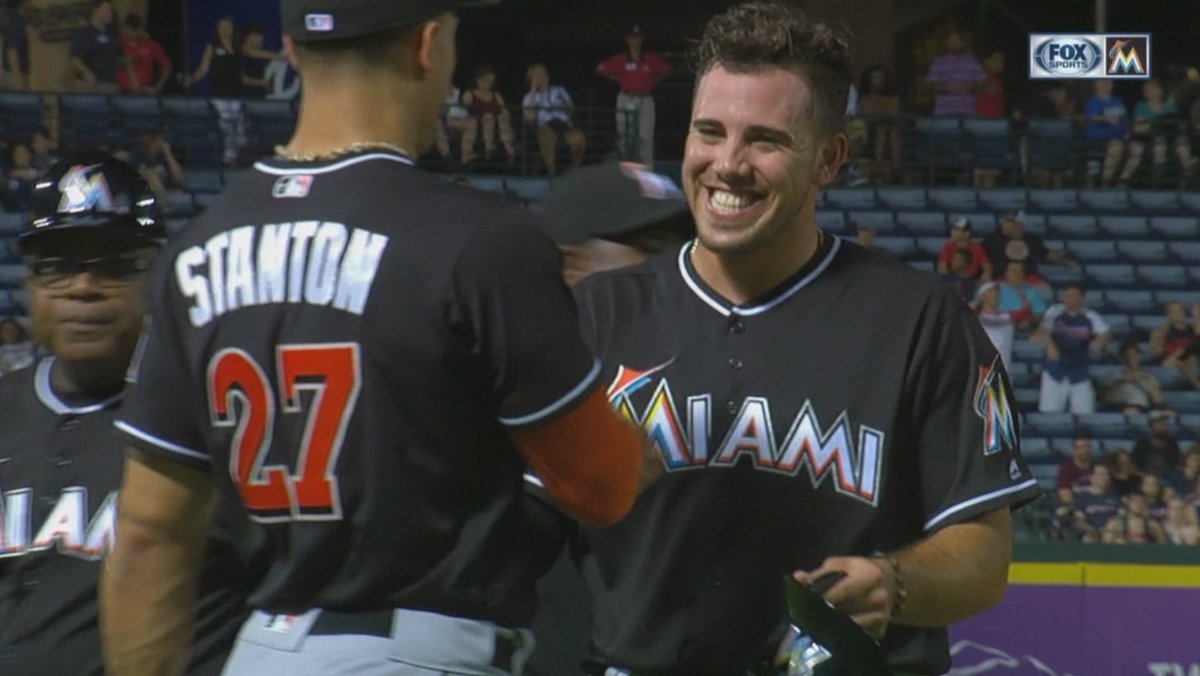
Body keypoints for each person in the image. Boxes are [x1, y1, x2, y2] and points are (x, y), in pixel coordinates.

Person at [100, 3, 658, 675]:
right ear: (428, 45)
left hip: (265, 649)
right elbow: (603, 487)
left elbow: (146, 539)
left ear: (294, 52)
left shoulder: (196, 248)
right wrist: (637, 448)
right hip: (418, 650)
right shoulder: (477, 240)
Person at [553, 3, 1040, 674]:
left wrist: (894, 583)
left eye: (764, 140)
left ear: (829, 158)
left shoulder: (922, 323)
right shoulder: (595, 317)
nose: (727, 163)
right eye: (709, 131)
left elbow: (984, 557)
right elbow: (525, 534)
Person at [0, 154, 251, 676]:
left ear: (156, 278)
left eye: (113, 263)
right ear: (29, 286)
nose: (83, 287)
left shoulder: (218, 424)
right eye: (57, 265)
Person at [526, 160, 693, 676]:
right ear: (567, 263)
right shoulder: (508, 388)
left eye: (680, 247)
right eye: (649, 249)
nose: (674, 265)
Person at [596, 25, 672, 166]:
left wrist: (653, 81)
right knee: (625, 136)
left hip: (645, 99)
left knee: (646, 136)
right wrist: (619, 79)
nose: (636, 41)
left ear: (642, 40)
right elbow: (601, 68)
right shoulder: (621, 59)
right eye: (633, 38)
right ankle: (626, 169)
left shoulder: (649, 59)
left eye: (638, 38)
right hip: (627, 98)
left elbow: (667, 69)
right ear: (627, 40)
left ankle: (647, 170)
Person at [1035, 283, 1110, 414]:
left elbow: (1106, 332)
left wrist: (1099, 342)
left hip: (1079, 370)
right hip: (1055, 370)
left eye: (1074, 296)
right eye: (1068, 295)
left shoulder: (1090, 315)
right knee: (1050, 413)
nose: (1071, 299)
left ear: (1082, 298)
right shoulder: (1055, 311)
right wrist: (1051, 346)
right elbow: (1042, 330)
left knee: (1084, 412)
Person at [186, 17, 245, 165]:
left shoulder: (238, 47)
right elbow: (204, 68)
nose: (225, 30)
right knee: (226, 122)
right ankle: (229, 155)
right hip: (219, 91)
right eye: (222, 27)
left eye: (228, 27)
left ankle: (236, 152)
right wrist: (192, 79)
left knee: (238, 122)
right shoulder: (212, 46)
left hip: (236, 91)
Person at [1127, 77, 1196, 187]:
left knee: (1181, 139)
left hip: (1171, 137)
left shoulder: (1168, 106)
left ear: (1159, 90)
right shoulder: (1141, 107)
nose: (1146, 91)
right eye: (1145, 88)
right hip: (1150, 138)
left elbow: (1175, 123)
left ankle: (1187, 174)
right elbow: (1138, 128)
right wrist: (1152, 123)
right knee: (1159, 140)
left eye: (1150, 88)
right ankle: (1158, 180)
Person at [522, 63, 586, 175]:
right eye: (538, 76)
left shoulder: (559, 90)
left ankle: (575, 169)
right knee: (545, 135)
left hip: (562, 124)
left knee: (579, 138)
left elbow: (571, 110)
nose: (542, 78)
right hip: (543, 125)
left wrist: (563, 106)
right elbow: (529, 117)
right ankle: (551, 171)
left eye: (544, 75)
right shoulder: (528, 97)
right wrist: (533, 91)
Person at [983, 209, 1077, 283]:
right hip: (1001, 278)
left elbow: (1046, 254)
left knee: (1043, 288)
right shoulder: (993, 239)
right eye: (1004, 220)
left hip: (1027, 278)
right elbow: (981, 256)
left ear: (1020, 225)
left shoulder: (1032, 240)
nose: (1003, 224)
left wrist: (1067, 262)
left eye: (1009, 221)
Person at [68, 0, 125, 93]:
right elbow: (75, 59)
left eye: (111, 11)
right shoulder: (85, 33)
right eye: (108, 10)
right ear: (95, 10)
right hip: (90, 86)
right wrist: (86, 72)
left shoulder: (112, 34)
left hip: (111, 85)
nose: (110, 14)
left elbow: (119, 58)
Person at [1084, 79, 1132, 188]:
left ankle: (1120, 183)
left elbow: (1124, 119)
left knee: (1133, 148)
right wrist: (1105, 118)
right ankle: (1103, 184)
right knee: (1115, 147)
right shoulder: (1093, 101)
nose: (1107, 85)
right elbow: (1092, 117)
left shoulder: (1118, 101)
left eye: (1109, 83)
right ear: (1096, 85)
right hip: (1099, 139)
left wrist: (1127, 132)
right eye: (1103, 83)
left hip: (1121, 137)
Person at [857, 64, 901, 182]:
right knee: (882, 129)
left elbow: (894, 114)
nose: (877, 81)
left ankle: (895, 165)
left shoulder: (892, 98)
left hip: (887, 127)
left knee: (888, 130)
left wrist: (881, 114)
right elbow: (864, 115)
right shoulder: (864, 98)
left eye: (880, 78)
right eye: (875, 77)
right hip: (869, 128)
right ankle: (879, 162)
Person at [925, 31, 986, 116]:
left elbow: (983, 82)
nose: (954, 43)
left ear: (963, 43)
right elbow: (930, 84)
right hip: (943, 112)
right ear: (947, 43)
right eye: (952, 40)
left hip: (968, 111)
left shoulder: (972, 62)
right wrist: (948, 88)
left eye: (957, 40)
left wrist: (969, 87)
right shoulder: (938, 63)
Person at [973, 281, 1029, 369]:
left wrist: (1023, 296)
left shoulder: (1008, 317)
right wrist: (976, 302)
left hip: (1003, 370)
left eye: (996, 291)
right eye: (990, 291)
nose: (995, 294)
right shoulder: (975, 319)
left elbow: (1026, 312)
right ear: (982, 296)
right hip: (981, 371)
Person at [1102, 340, 1167, 414]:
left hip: (1143, 410)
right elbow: (1105, 399)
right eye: (1128, 355)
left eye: (1135, 355)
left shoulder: (1149, 377)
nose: (1132, 358)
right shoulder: (1115, 376)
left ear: (1140, 356)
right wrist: (1124, 380)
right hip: (1118, 409)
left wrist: (1145, 383)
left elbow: (1158, 400)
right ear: (1123, 358)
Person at [116, 13, 171, 94]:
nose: (134, 30)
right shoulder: (116, 43)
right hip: (120, 91)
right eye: (131, 27)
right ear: (124, 28)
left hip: (144, 92)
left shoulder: (152, 45)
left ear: (142, 28)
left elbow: (166, 66)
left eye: (137, 27)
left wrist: (157, 88)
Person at [1071, 462, 1121, 543]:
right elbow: (1079, 520)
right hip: (1093, 533)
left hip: (1113, 533)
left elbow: (1121, 517)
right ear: (1091, 477)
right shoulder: (1083, 497)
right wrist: (1091, 530)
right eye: (1101, 475)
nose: (1105, 478)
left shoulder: (1115, 497)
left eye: (1107, 474)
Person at [935, 216, 992, 280]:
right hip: (954, 280)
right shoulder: (948, 246)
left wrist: (981, 281)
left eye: (956, 230)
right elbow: (941, 267)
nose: (952, 232)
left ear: (967, 233)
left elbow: (988, 268)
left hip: (972, 280)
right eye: (952, 229)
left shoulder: (977, 247)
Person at [1102, 491, 1167, 544]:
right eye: (1135, 501)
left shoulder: (1152, 524)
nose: (1138, 505)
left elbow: (1163, 547)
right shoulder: (1115, 523)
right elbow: (1106, 545)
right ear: (1128, 503)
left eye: (1142, 502)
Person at [1133, 410, 1182, 478]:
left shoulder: (1172, 444)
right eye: (1159, 424)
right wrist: (1147, 478)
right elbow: (1134, 468)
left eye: (1165, 423)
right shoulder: (1142, 444)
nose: (1163, 426)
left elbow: (1177, 466)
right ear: (1150, 427)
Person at [1150, 301, 1200, 366]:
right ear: (1168, 314)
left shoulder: (1194, 328)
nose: (1178, 313)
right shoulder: (1160, 331)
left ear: (1183, 312)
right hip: (1172, 362)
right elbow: (1155, 353)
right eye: (1173, 311)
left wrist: (1197, 317)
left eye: (1179, 310)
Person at [1, 0, 30, 90]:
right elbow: (12, 50)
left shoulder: (13, 19)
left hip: (14, 73)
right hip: (14, 74)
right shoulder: (16, 20)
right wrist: (18, 78)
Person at [975, 50, 1006, 118]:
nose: (1001, 64)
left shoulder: (997, 79)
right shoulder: (982, 77)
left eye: (1002, 61)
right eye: (997, 60)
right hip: (985, 120)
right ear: (986, 61)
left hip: (995, 120)